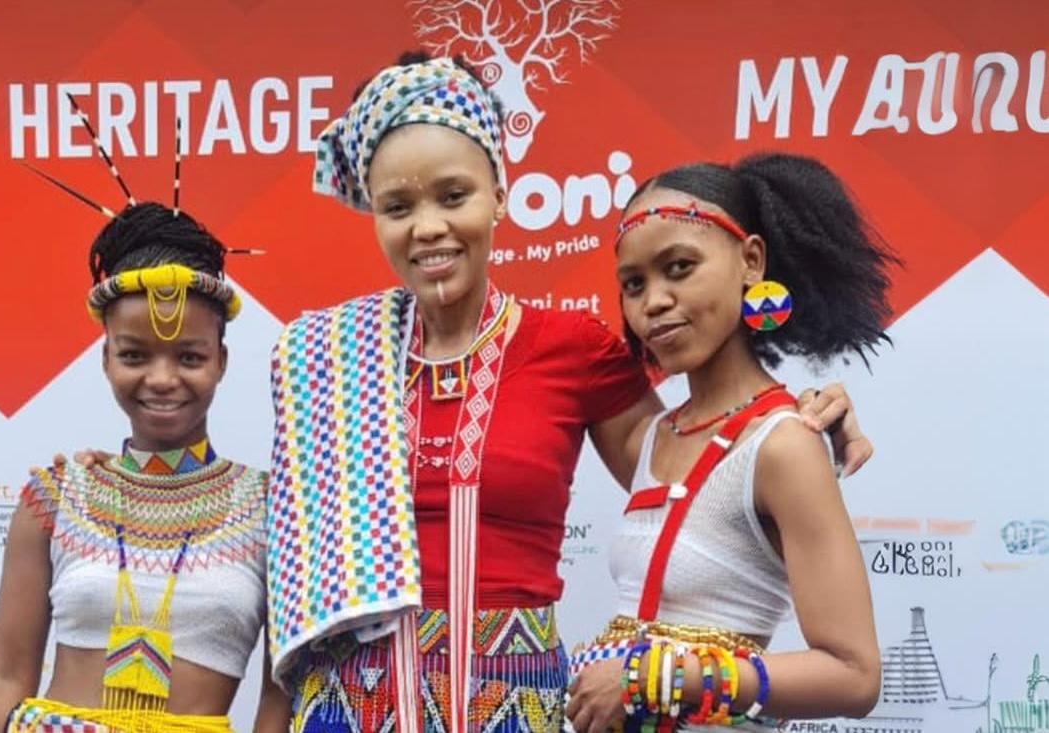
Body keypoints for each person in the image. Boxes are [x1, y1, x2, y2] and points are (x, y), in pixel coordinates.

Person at [266, 53, 873, 733]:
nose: (427, 226)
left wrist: (797, 418)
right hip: (341, 708)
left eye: (453, 195)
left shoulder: (572, 349)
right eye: (397, 207)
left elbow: (705, 467)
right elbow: (295, 582)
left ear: (499, 192)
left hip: (512, 711)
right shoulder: (321, 355)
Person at [0, 132, 290, 731]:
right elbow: (5, 674)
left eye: (189, 357)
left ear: (221, 361)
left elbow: (280, 696)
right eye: (135, 355)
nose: (162, 379)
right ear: (106, 359)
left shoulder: (275, 511)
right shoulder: (55, 497)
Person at [565, 154, 894, 732]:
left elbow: (854, 676)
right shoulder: (650, 438)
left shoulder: (783, 445)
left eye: (679, 267)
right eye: (634, 284)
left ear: (751, 261)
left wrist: (649, 677)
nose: (653, 301)